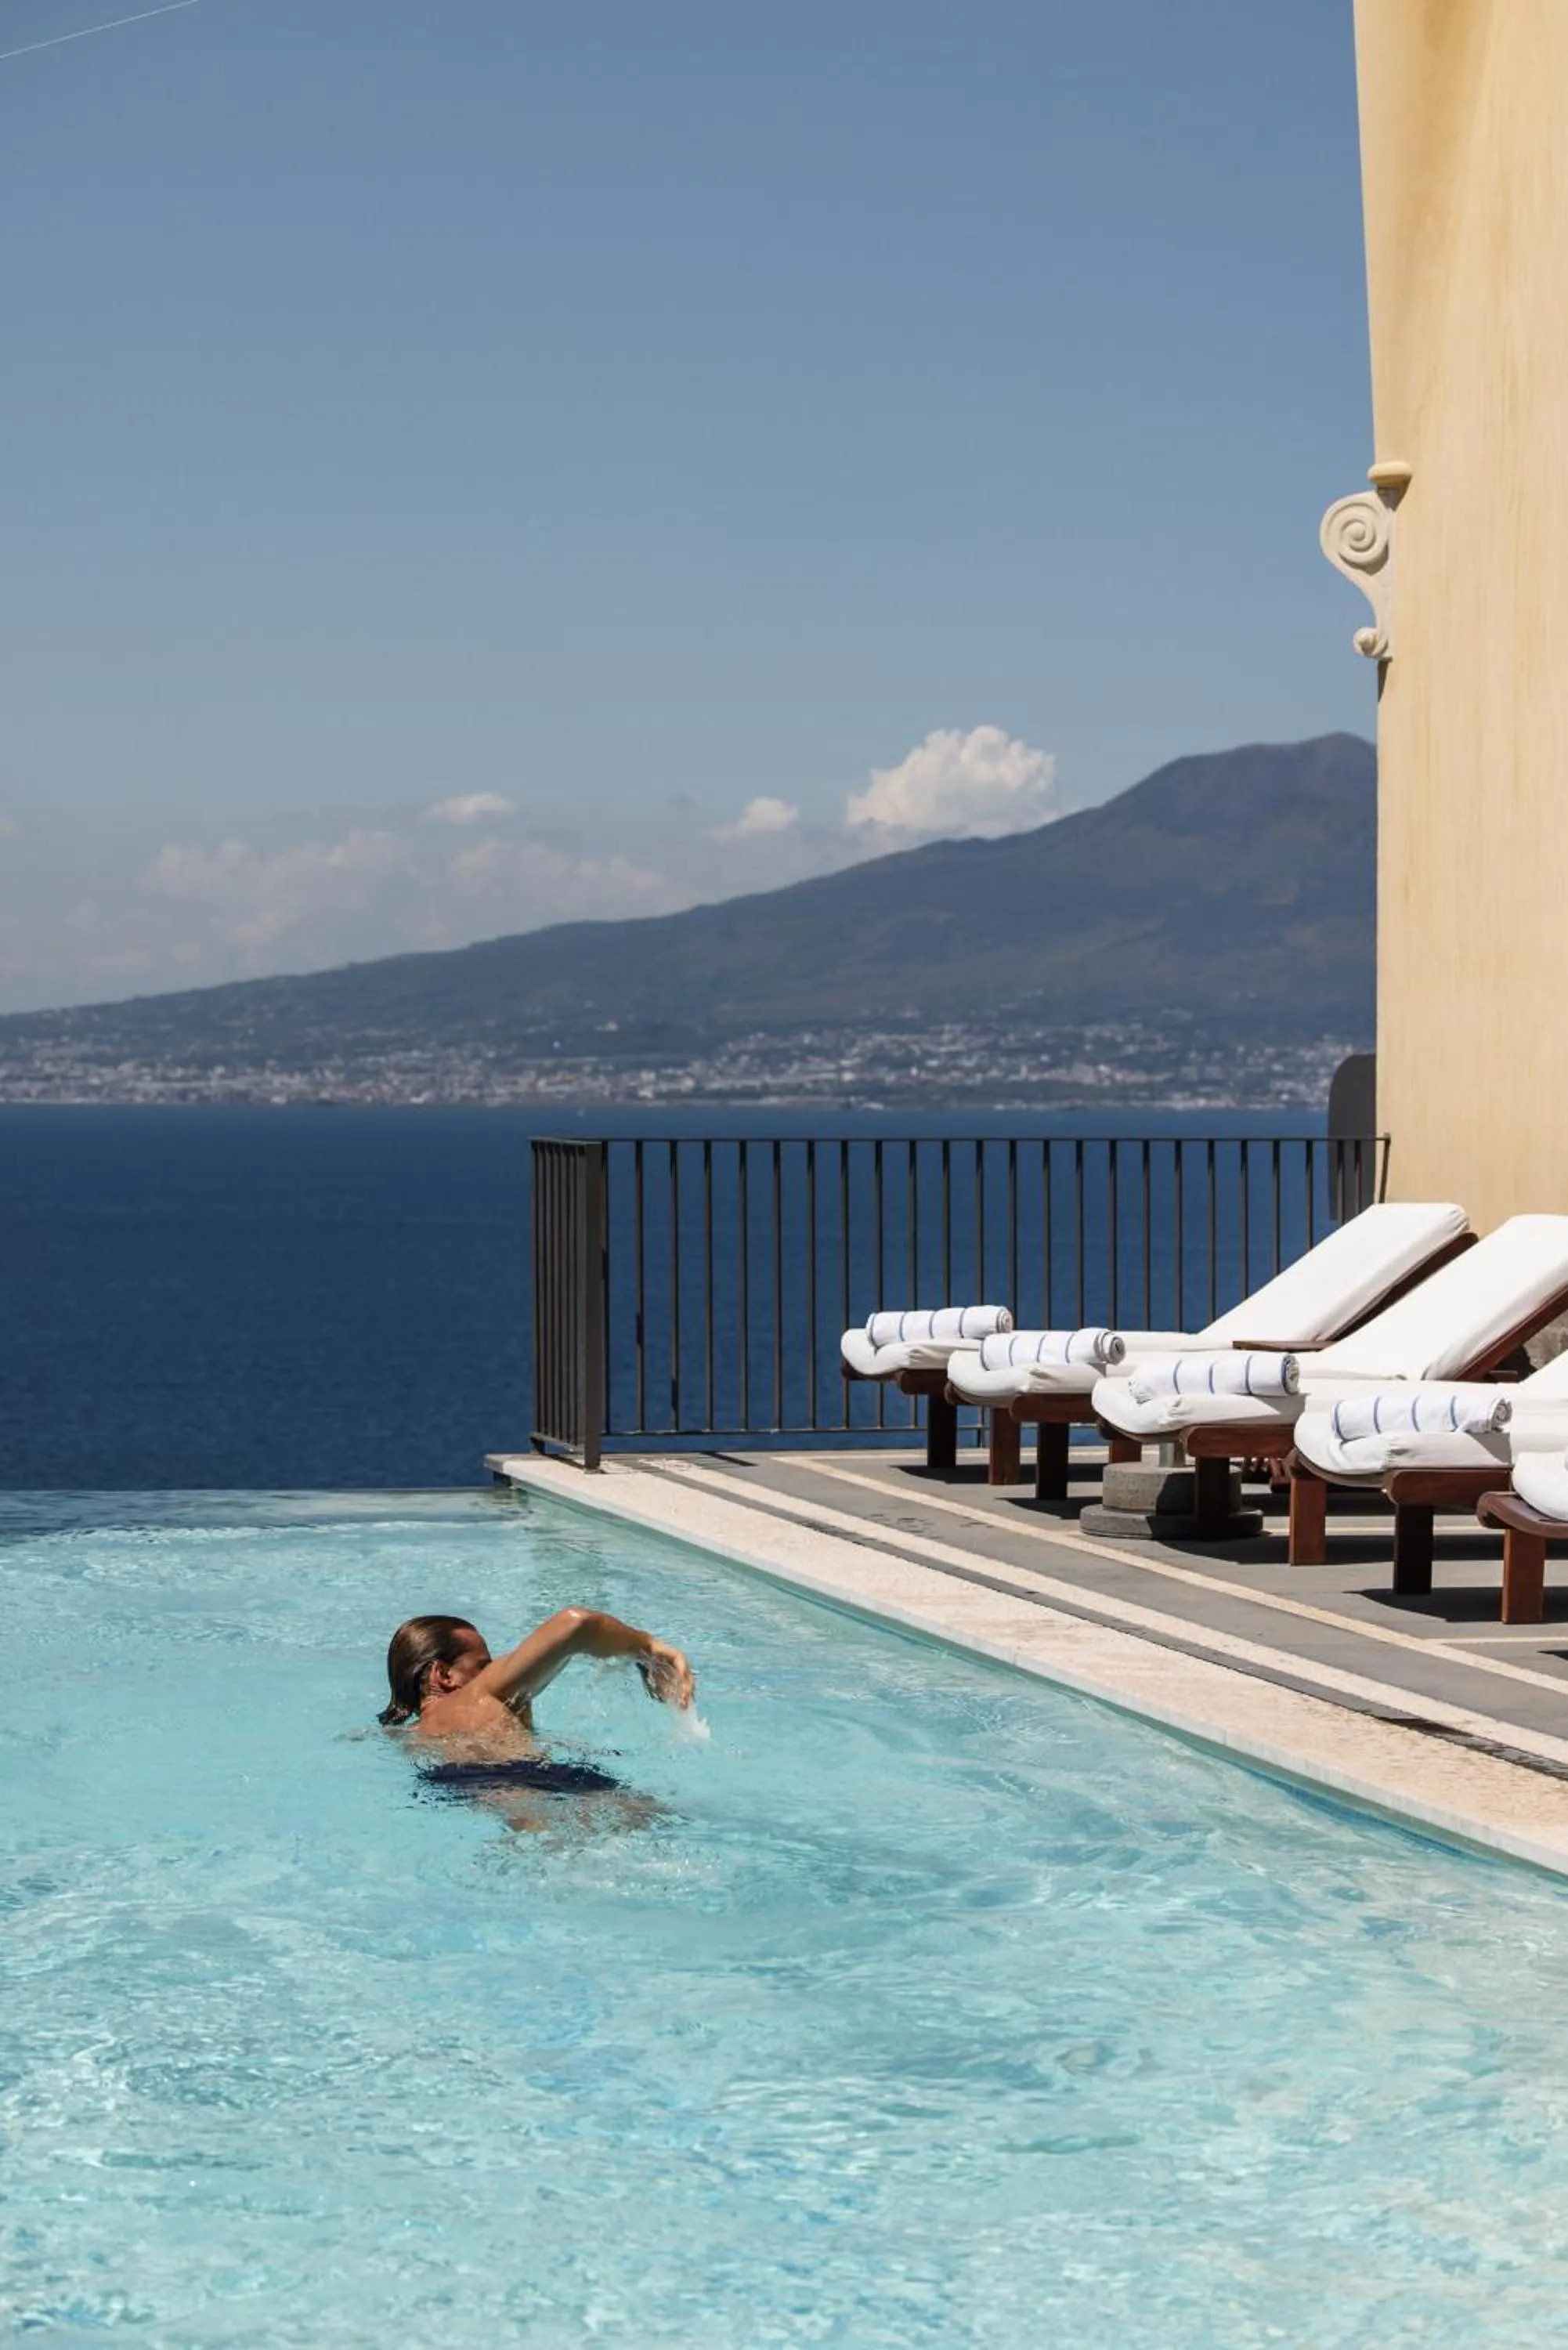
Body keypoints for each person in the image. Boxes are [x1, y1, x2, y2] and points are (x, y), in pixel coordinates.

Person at [378, 1607, 695, 1781]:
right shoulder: (479, 1695)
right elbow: (577, 1624)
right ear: (444, 1675)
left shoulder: (408, 1739)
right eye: (483, 1665)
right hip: (557, 1793)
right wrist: (650, 1648)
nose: (493, 1672)